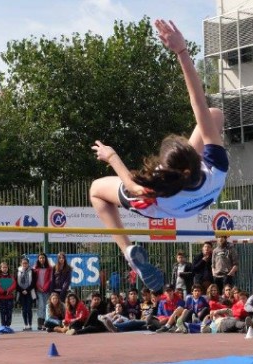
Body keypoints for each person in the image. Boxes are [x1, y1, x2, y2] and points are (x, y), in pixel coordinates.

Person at [89, 19, 228, 292]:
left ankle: (128, 251)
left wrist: (111, 155)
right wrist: (182, 53)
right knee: (212, 115)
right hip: (197, 197)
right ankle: (130, 253)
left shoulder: (156, 189)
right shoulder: (217, 165)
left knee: (95, 190)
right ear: (195, 155)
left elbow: (130, 184)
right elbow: (198, 103)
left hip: (165, 206)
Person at [0, 262, 17, 328]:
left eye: (6, 267)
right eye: (3, 267)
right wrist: (2, 291)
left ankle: (8, 325)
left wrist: (8, 291)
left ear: (8, 268)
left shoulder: (11, 276)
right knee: (2, 312)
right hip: (1, 297)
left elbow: (14, 284)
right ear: (0, 268)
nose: (4, 269)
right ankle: (3, 325)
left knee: (9, 312)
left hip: (9, 297)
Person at [33, 253, 53, 330]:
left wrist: (45, 287)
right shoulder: (35, 268)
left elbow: (50, 279)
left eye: (43, 258)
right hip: (39, 290)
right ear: (38, 259)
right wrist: (39, 287)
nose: (42, 259)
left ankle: (46, 323)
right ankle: (40, 324)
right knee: (41, 306)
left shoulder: (49, 268)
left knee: (47, 306)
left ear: (45, 259)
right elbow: (34, 280)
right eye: (40, 258)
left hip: (47, 290)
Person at [16, 257, 36, 331]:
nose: (24, 264)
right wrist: (22, 290)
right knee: (24, 309)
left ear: (28, 264)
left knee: (29, 309)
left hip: (29, 292)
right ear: (21, 263)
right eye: (23, 263)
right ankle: (25, 324)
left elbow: (33, 283)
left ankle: (30, 324)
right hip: (21, 293)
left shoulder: (32, 271)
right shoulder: (18, 271)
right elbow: (16, 283)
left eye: (26, 263)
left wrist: (27, 290)